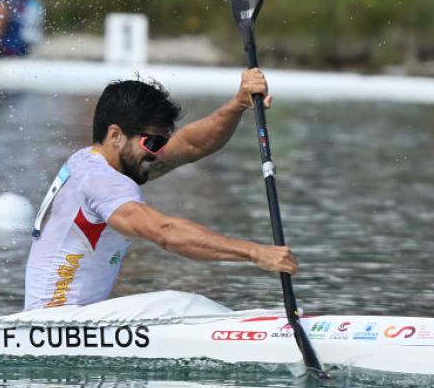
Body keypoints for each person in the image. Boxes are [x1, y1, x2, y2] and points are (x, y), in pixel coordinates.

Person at [24, 71, 297, 310]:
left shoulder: (94, 162)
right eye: (152, 142)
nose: (156, 153)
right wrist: (254, 252)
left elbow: (191, 145)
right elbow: (164, 233)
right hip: (56, 320)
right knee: (181, 304)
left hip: (68, 318)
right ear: (116, 135)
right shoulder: (102, 181)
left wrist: (237, 104)